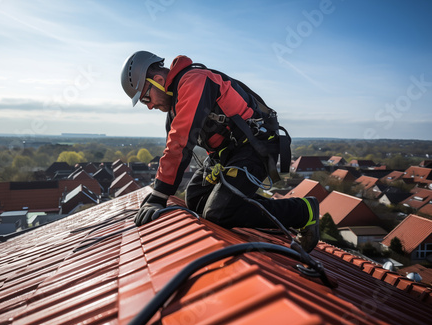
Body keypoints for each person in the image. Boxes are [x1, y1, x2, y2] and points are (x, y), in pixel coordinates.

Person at [120, 51, 320, 252]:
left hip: (253, 148)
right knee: (196, 199)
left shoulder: (194, 81)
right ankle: (260, 211)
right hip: (225, 155)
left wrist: (159, 195)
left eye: (146, 98)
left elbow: (180, 142)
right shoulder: (175, 107)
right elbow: (171, 150)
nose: (150, 106)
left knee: (218, 212)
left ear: (158, 80)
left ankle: (303, 211)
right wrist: (158, 191)